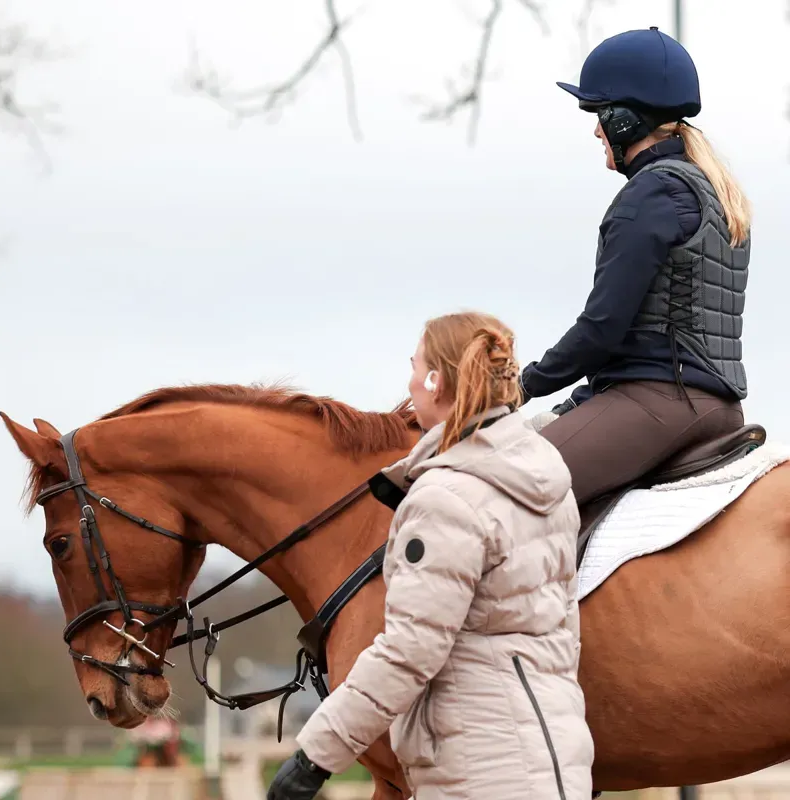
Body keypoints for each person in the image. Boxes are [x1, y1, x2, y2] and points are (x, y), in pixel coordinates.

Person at [267, 311, 594, 800]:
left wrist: (314, 757)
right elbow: (566, 630)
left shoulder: (445, 500)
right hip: (555, 763)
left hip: (480, 769)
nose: (410, 383)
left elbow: (409, 651)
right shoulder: (548, 481)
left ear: (437, 382)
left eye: (415, 367)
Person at [520, 27, 750, 506]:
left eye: (599, 115)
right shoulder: (709, 188)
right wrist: (574, 403)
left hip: (659, 402)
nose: (596, 131)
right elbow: (644, 335)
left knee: (494, 486)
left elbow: (601, 329)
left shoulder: (652, 192)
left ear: (624, 121)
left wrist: (521, 386)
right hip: (713, 403)